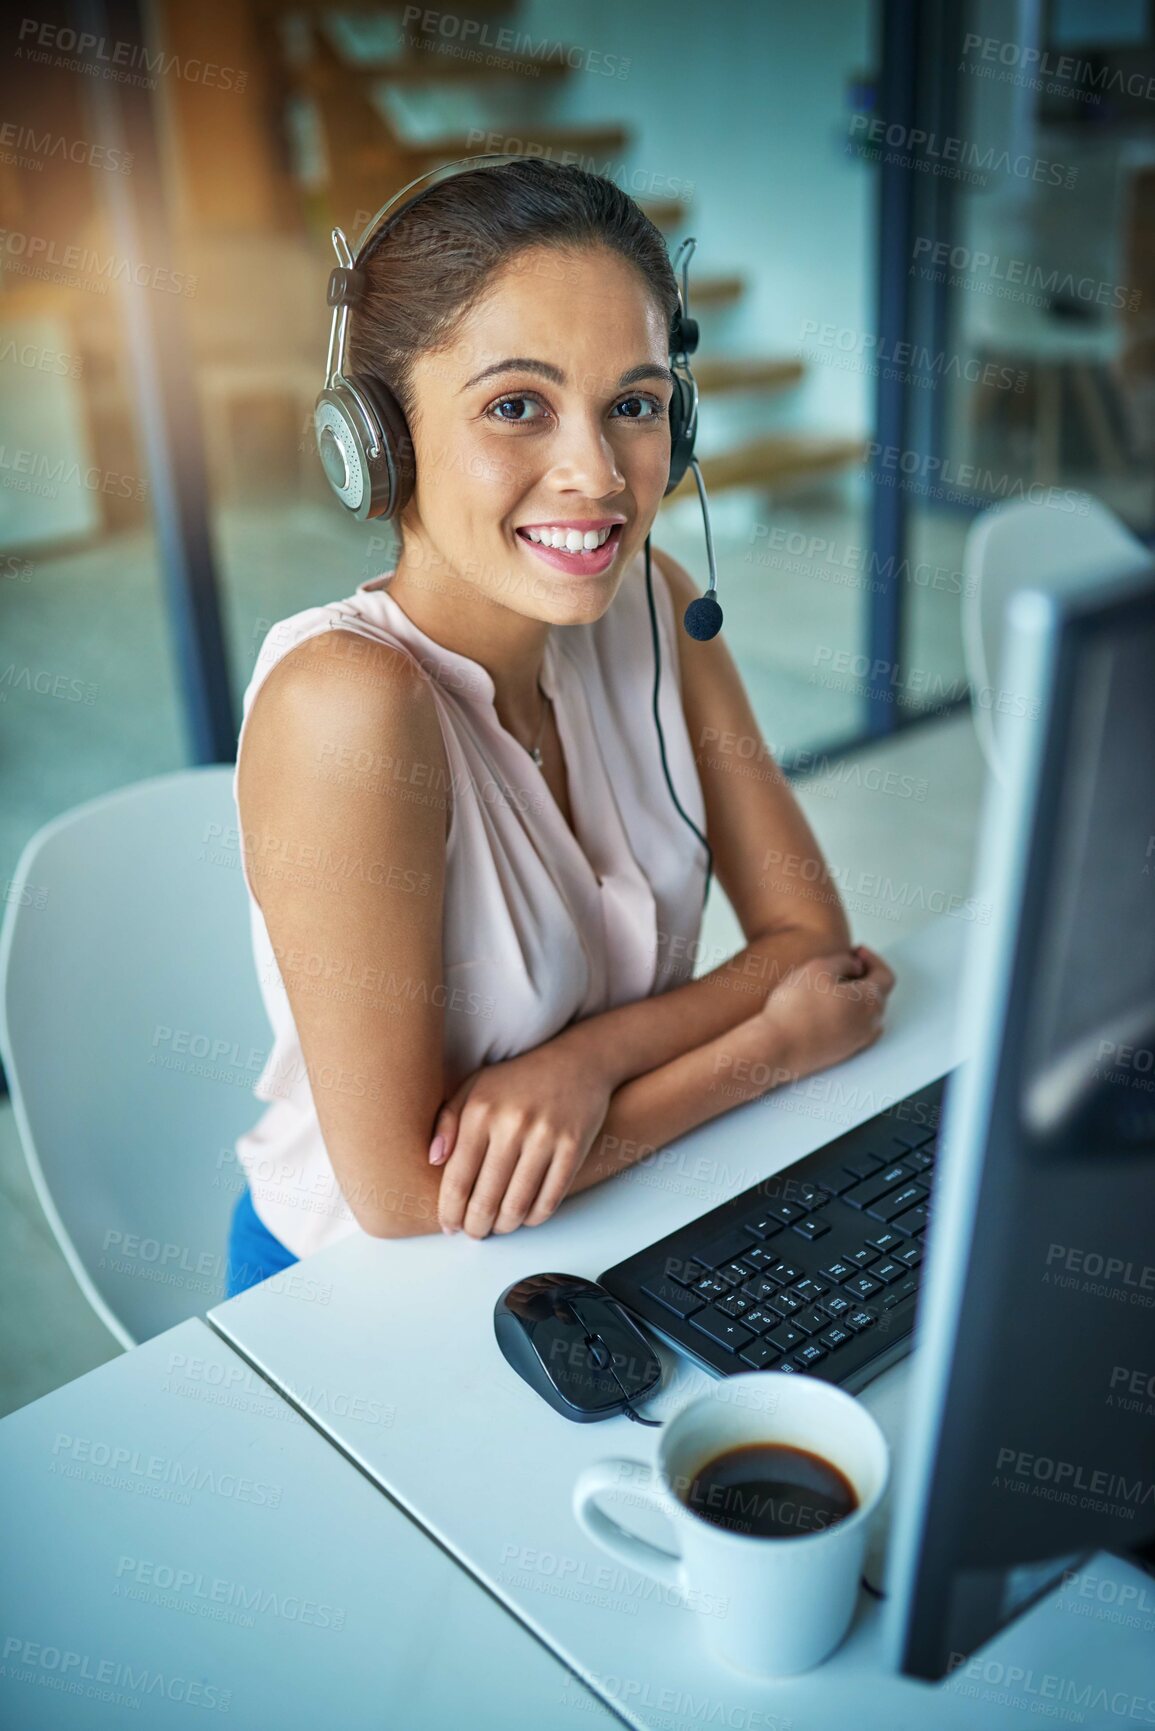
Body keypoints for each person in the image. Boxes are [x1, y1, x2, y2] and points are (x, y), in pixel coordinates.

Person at [225, 159, 894, 1297]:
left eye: (633, 405)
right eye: (516, 405)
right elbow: (404, 1193)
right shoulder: (349, 705)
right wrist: (769, 1050)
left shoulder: (657, 605)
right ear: (377, 441)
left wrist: (588, 1063)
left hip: (604, 1228)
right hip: (355, 1297)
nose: (598, 475)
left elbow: (808, 939)